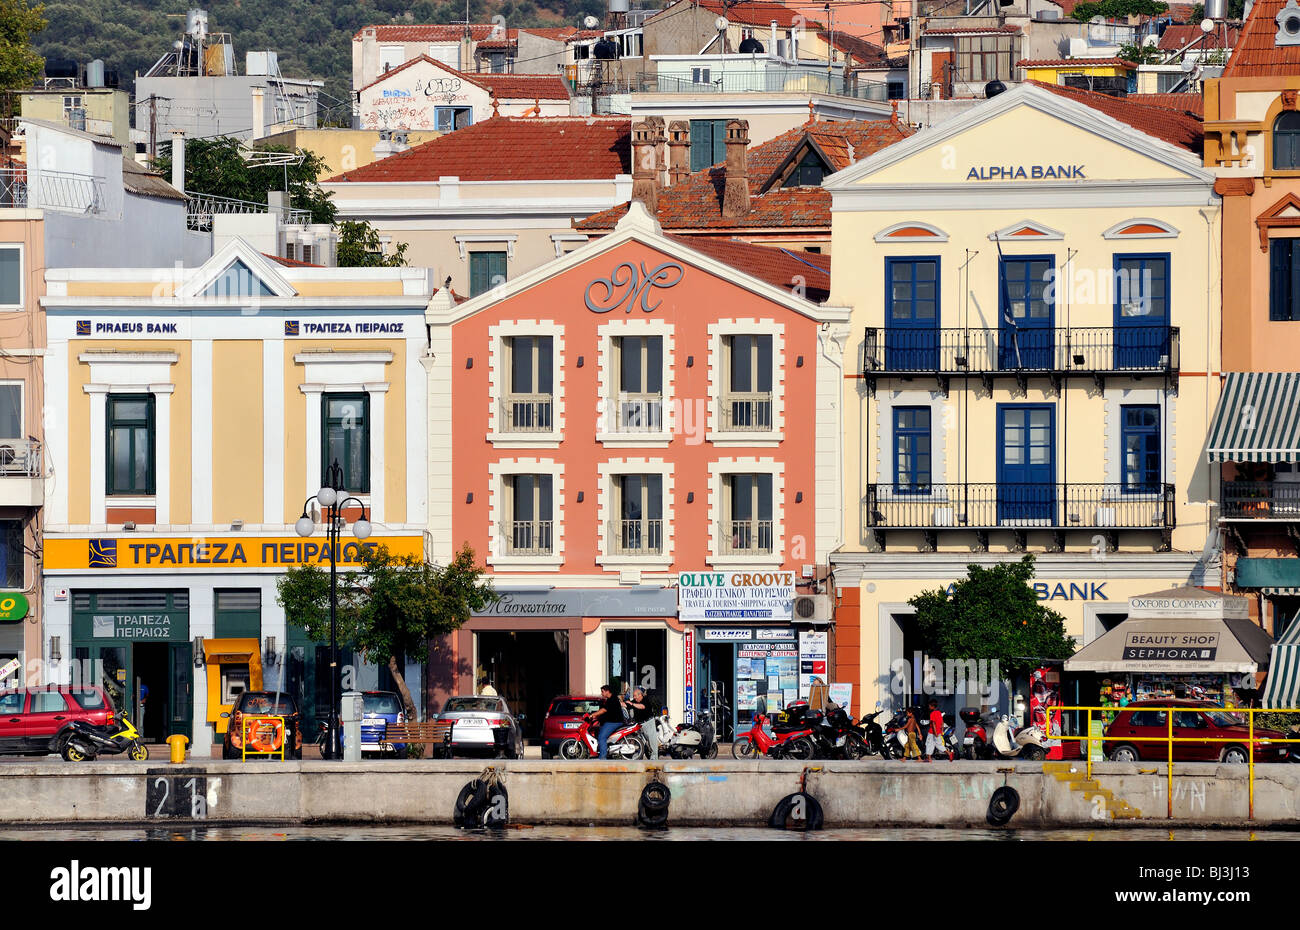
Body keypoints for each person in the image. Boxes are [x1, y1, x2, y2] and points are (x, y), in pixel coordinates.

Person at [590, 683, 625, 759]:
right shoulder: (610, 699)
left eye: (602, 691)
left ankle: (602, 757)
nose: (601, 693)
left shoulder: (612, 699)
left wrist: (593, 715)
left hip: (614, 722)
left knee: (601, 737)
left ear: (607, 691)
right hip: (611, 722)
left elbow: (603, 710)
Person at [627, 686, 660, 760]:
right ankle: (639, 757)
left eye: (635, 696)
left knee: (652, 742)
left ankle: (654, 759)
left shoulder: (645, 700)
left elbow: (642, 707)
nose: (634, 697)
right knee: (641, 742)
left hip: (648, 723)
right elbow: (627, 705)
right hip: (640, 725)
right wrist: (622, 703)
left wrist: (632, 704)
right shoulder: (635, 702)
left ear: (640, 695)